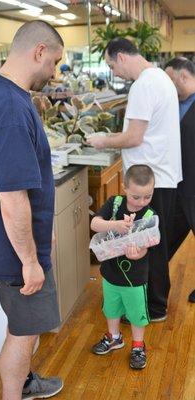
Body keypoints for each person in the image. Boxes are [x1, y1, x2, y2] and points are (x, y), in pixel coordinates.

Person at [0, 20, 64, 400]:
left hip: (12, 245)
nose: (53, 73)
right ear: (38, 51)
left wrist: (41, 231)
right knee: (24, 332)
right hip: (15, 254)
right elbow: (12, 197)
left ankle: (24, 382)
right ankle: (13, 393)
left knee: (20, 325)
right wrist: (30, 260)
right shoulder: (9, 107)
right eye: (53, 62)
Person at [87, 38, 182, 322]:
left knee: (148, 245)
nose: (113, 72)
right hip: (161, 175)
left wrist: (103, 141)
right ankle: (155, 305)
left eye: (111, 64)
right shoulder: (160, 77)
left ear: (122, 57)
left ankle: (153, 308)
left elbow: (134, 137)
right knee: (155, 242)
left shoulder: (143, 84)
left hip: (151, 179)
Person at [91, 164, 157, 369]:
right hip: (110, 274)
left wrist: (138, 254)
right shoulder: (114, 203)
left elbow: (147, 245)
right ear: (125, 187)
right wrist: (115, 225)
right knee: (111, 309)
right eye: (136, 197)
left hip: (135, 279)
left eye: (147, 196)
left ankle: (138, 345)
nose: (141, 202)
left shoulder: (149, 216)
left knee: (137, 314)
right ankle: (114, 337)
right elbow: (95, 224)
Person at [165, 58, 195, 303]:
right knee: (168, 235)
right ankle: (151, 285)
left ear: (184, 76)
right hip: (177, 184)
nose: (169, 86)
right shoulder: (173, 103)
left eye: (171, 80)